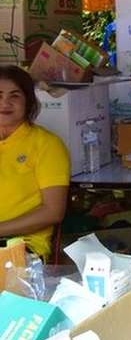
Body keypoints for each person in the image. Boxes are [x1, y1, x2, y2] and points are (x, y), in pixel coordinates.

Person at [0, 65, 70, 259]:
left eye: (14, 95)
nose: (5, 102)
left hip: (21, 245)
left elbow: (53, 212)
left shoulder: (46, 144)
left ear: (28, 102)